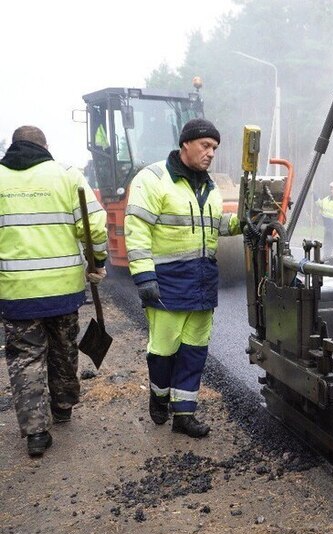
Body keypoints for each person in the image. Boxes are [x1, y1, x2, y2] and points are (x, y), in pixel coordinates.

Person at [125, 118, 240, 438]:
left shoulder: (209, 185)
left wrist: (242, 224)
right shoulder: (153, 179)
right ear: (186, 143)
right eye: (205, 146)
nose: (211, 153)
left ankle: (184, 414)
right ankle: (159, 396)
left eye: (214, 148)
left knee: (194, 350)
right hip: (167, 283)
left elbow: (213, 225)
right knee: (163, 351)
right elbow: (136, 230)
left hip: (202, 282)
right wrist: (144, 276)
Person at [0, 125, 108, 457]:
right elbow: (95, 226)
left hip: (16, 293)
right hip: (62, 290)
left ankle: (36, 433)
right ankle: (62, 407)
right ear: (45, 145)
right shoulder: (66, 175)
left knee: (26, 359)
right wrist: (97, 261)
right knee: (63, 350)